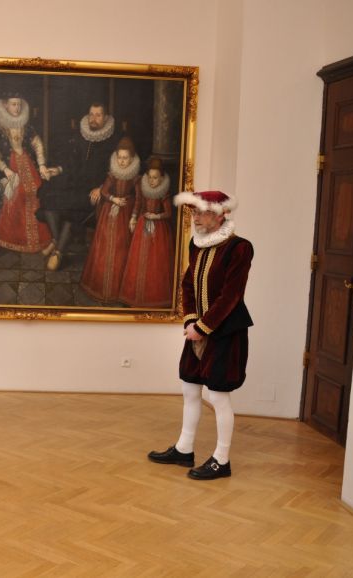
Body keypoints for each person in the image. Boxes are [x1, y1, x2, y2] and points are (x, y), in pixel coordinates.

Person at [147, 190, 253, 480]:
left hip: (225, 331)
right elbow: (188, 285)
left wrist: (203, 327)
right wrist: (191, 320)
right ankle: (184, 449)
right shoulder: (197, 244)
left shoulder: (240, 248)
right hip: (197, 330)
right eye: (193, 212)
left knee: (218, 396)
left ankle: (222, 459)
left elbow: (231, 295)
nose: (195, 218)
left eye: (201, 212)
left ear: (221, 214)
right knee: (190, 389)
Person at [39, 103, 119, 270]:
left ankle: (58, 252)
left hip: (95, 190)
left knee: (75, 209)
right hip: (75, 185)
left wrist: (102, 187)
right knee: (47, 194)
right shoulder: (81, 135)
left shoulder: (113, 141)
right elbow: (72, 162)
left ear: (105, 118)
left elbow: (117, 171)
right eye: (91, 114)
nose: (93, 119)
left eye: (98, 115)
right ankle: (56, 240)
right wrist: (58, 170)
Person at [0, 94, 54, 253]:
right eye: (13, 104)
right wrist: (4, 168)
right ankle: (13, 238)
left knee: (36, 189)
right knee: (17, 193)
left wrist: (42, 165)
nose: (17, 108)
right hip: (6, 167)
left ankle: (39, 239)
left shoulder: (26, 125)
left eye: (19, 104)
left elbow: (37, 144)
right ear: (5, 105)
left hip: (27, 163)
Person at [79, 137, 141, 303]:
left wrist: (133, 217)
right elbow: (104, 191)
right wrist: (114, 199)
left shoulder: (135, 177)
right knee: (104, 247)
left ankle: (118, 292)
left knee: (121, 249)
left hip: (126, 214)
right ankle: (101, 288)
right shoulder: (112, 174)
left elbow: (139, 199)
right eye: (119, 157)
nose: (122, 161)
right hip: (109, 214)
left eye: (125, 158)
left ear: (131, 159)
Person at [119, 157, 175, 307]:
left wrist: (155, 216)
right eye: (150, 177)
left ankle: (152, 299)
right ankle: (136, 297)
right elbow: (139, 205)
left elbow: (168, 213)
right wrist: (133, 218)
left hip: (159, 230)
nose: (152, 181)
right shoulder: (144, 189)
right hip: (142, 226)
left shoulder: (164, 193)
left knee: (155, 262)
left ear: (161, 178)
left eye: (155, 178)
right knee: (138, 260)